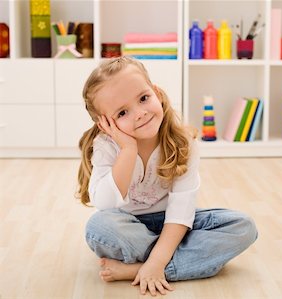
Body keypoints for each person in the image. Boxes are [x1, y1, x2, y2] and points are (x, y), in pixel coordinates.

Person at [76, 56, 257, 296]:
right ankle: (177, 261)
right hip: (131, 225)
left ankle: (141, 268)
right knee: (99, 228)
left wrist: (156, 262)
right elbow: (105, 204)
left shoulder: (182, 142)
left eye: (143, 98)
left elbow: (182, 210)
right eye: (122, 113)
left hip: (176, 225)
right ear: (105, 125)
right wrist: (128, 151)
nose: (140, 113)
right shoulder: (106, 146)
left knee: (243, 227)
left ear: (157, 93)